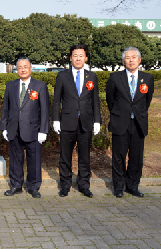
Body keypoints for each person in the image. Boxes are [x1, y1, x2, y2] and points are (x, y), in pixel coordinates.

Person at [52, 44, 101, 198]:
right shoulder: (62, 76)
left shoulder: (91, 76)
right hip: (67, 121)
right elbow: (56, 100)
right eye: (75, 55)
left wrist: (97, 121)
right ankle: (65, 185)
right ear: (71, 57)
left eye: (81, 55)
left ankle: (84, 185)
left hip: (85, 122)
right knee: (65, 156)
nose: (78, 58)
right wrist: (55, 119)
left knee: (85, 156)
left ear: (85, 58)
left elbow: (95, 101)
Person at [106, 47, 154, 198]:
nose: (131, 60)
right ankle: (119, 187)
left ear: (139, 60)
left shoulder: (147, 78)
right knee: (118, 156)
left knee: (136, 157)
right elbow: (110, 100)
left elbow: (147, 101)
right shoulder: (115, 77)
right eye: (128, 57)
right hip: (120, 122)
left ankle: (132, 186)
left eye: (134, 57)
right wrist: (121, 112)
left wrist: (136, 113)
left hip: (138, 123)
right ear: (123, 61)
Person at [0, 57, 49, 198]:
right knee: (15, 160)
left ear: (30, 68)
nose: (22, 69)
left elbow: (45, 110)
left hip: (34, 130)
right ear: (16, 70)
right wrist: (4, 127)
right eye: (20, 67)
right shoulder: (11, 86)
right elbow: (6, 108)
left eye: (25, 66)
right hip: (14, 129)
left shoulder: (40, 86)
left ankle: (33, 186)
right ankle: (16, 185)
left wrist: (43, 131)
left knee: (34, 159)